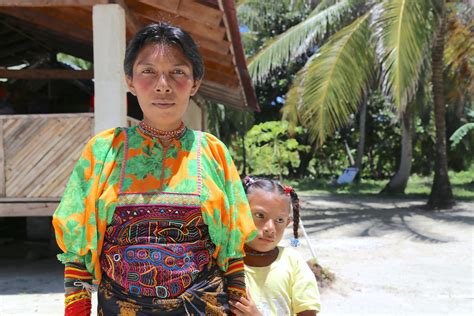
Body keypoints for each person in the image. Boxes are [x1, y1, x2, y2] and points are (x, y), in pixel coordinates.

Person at [52, 23, 256, 315]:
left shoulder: (212, 152)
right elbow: (77, 249)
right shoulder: (103, 151)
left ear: (195, 83)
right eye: (148, 71)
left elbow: (232, 252)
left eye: (178, 72)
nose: (163, 84)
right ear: (130, 81)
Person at [229, 176, 321, 316]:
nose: (270, 228)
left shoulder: (293, 263)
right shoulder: (226, 261)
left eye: (279, 220)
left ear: (287, 223)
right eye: (260, 215)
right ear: (240, 213)